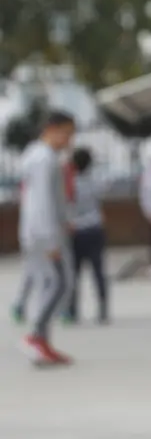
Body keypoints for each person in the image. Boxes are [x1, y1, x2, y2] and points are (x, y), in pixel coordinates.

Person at [16, 110, 77, 365]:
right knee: (59, 284)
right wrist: (52, 238)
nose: (69, 141)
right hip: (43, 234)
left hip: (38, 231)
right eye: (67, 134)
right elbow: (42, 202)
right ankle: (35, 336)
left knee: (49, 285)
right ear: (52, 129)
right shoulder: (44, 160)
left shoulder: (38, 156)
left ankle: (42, 342)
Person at [64, 147, 109, 324]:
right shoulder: (95, 180)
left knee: (74, 273)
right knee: (98, 271)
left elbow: (65, 204)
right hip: (94, 227)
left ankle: (72, 310)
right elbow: (103, 194)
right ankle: (103, 309)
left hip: (76, 230)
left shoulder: (69, 182)